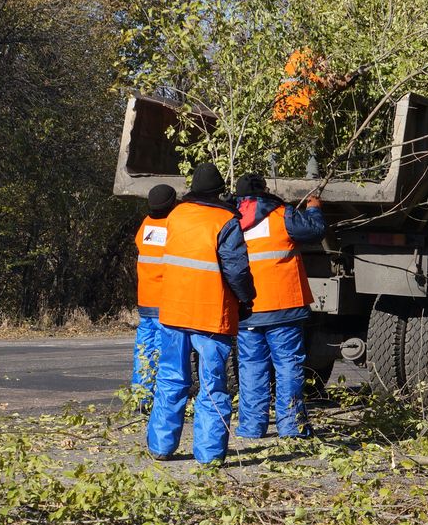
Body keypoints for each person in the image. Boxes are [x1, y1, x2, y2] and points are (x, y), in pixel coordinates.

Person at [147, 163, 255, 465]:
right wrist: (247, 300)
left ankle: (161, 446)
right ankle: (208, 456)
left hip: (172, 310)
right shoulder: (226, 221)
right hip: (210, 315)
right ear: (220, 190)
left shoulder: (175, 215)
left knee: (170, 378)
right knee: (212, 385)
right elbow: (236, 269)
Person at [233, 172, 326, 440]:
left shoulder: (230, 220)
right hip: (284, 307)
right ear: (264, 192)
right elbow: (315, 232)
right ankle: (292, 427)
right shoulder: (281, 215)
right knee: (287, 367)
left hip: (248, 310)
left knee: (251, 368)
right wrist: (314, 208)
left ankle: (251, 428)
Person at [131, 183, 177, 412]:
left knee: (143, 349)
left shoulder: (146, 225)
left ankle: (140, 397)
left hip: (145, 298)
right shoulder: (173, 226)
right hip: (164, 299)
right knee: (162, 351)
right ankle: (159, 401)